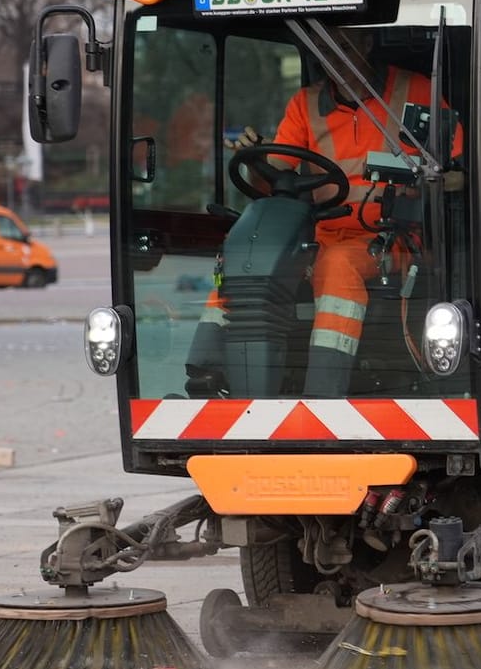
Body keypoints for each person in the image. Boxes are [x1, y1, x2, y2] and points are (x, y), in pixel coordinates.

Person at [191, 26, 461, 397]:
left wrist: (428, 184)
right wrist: (255, 154)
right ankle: (205, 373)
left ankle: (323, 390)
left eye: (342, 45)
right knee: (246, 258)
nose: (333, 57)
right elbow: (277, 172)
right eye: (324, 48)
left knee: (336, 265)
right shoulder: (305, 104)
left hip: (393, 240)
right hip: (321, 234)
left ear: (367, 42)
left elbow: (459, 173)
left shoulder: (417, 92)